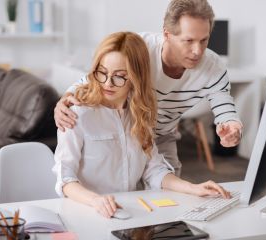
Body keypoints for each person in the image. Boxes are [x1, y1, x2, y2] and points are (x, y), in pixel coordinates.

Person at [52, 31, 231, 219]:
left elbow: (154, 170)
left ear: (136, 77)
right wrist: (96, 200)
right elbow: (65, 179)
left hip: (128, 212)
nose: (108, 83)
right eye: (102, 73)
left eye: (120, 76)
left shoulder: (139, 113)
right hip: (86, 212)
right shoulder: (76, 113)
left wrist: (193, 188)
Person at [54, 0, 243, 176]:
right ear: (167, 35)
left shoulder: (213, 66)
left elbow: (223, 101)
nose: (197, 51)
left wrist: (232, 125)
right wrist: (65, 98)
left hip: (162, 135)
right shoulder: (140, 48)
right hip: (127, 131)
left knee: (170, 189)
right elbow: (99, 75)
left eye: (204, 40)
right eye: (189, 41)